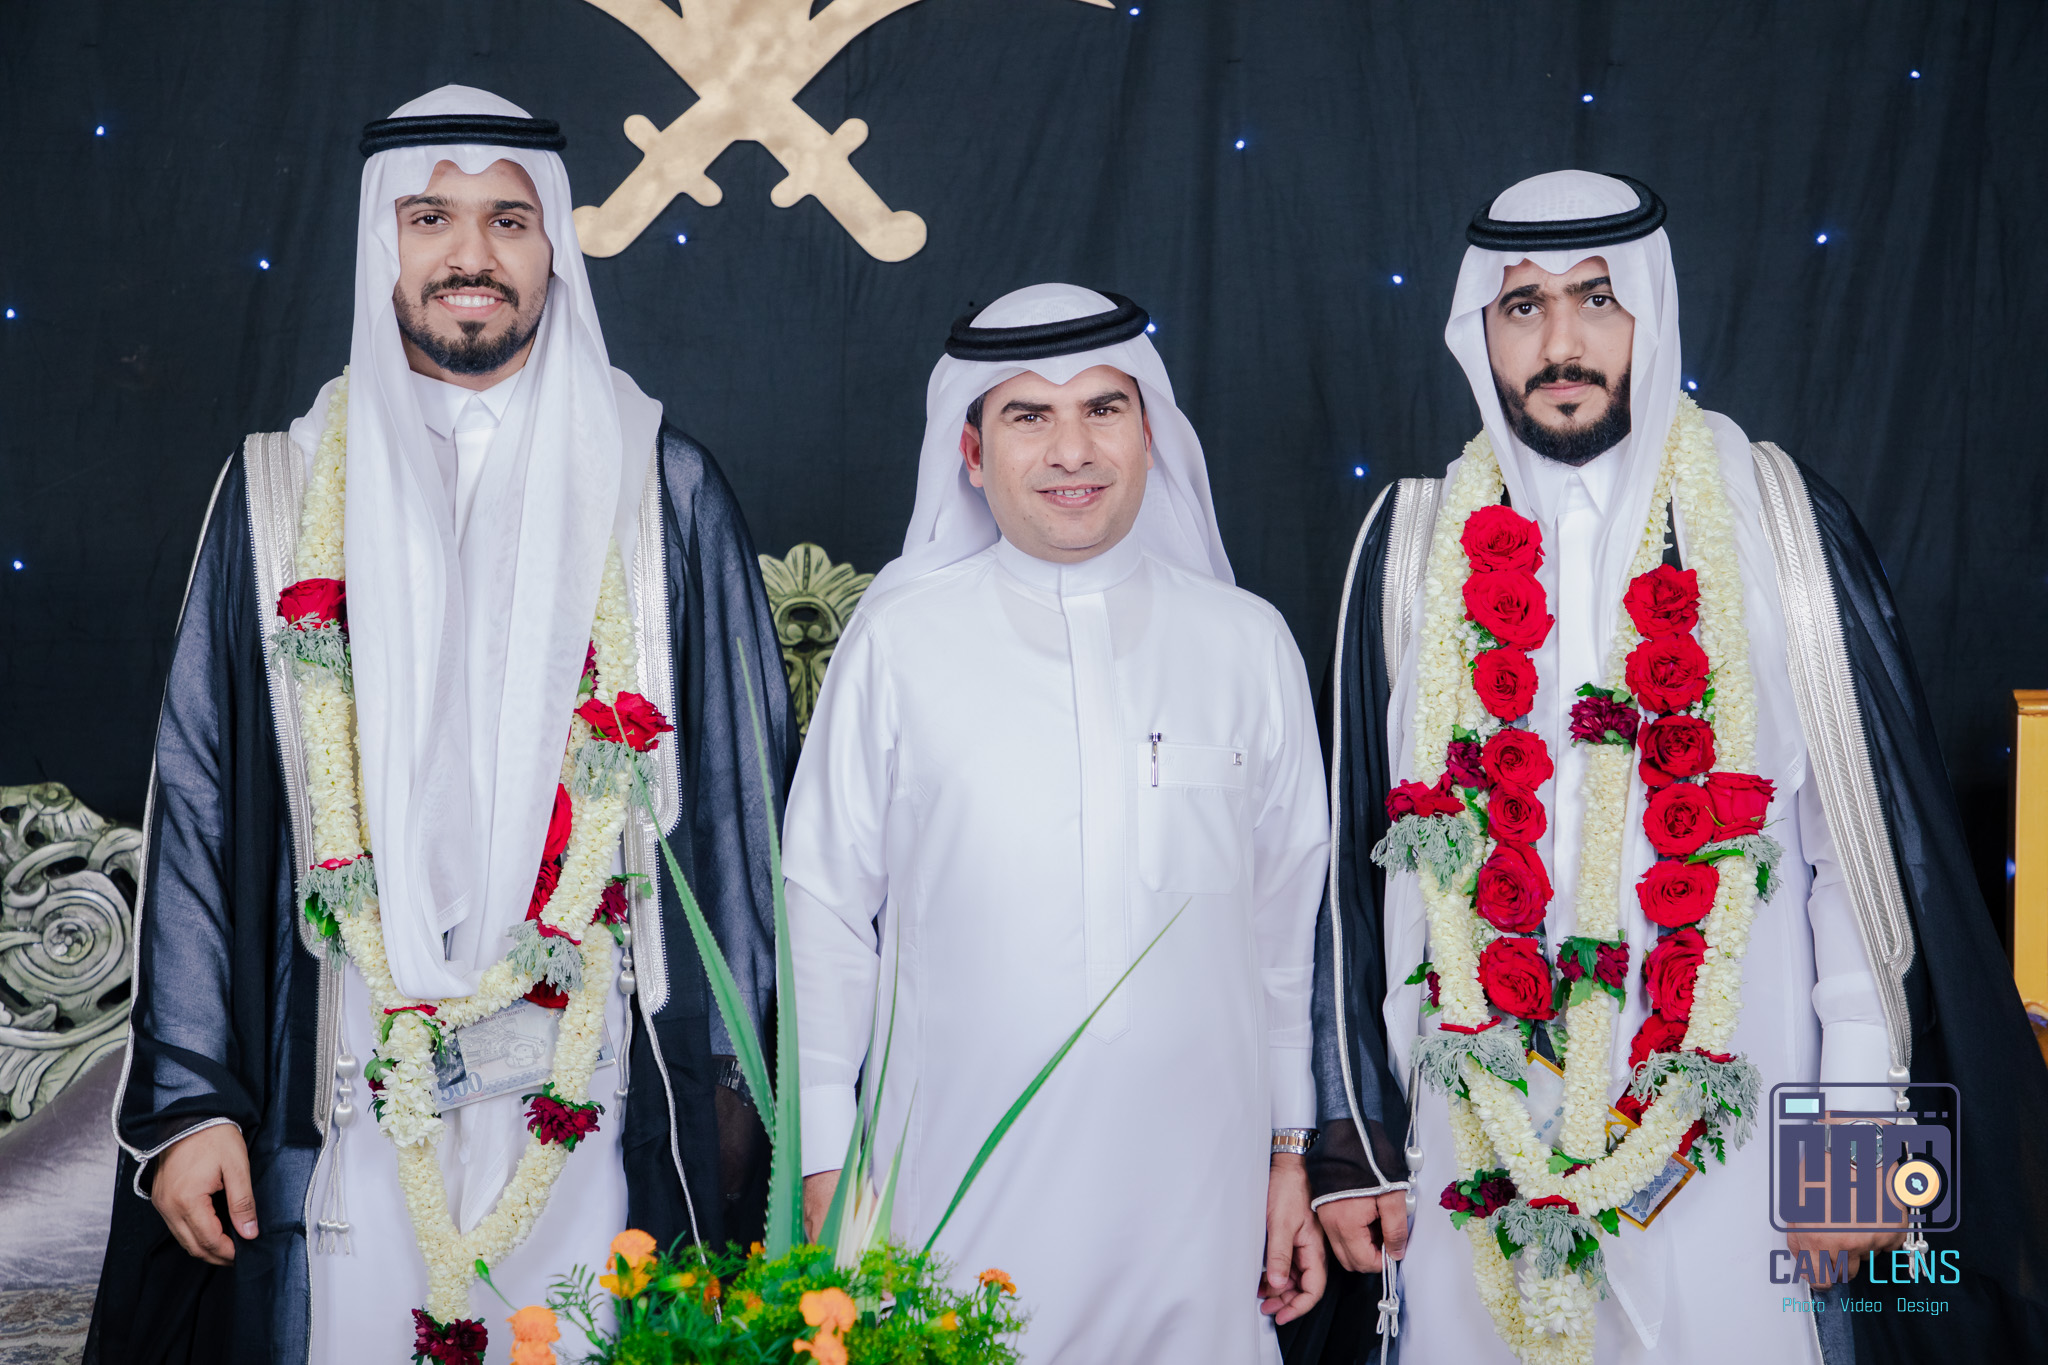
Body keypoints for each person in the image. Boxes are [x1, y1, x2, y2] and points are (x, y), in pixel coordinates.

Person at [87, 86, 793, 1365]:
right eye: (431, 218)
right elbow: (200, 801)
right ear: (384, 243)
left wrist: (744, 1115)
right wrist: (189, 1103)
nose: (470, 254)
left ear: (553, 246)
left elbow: (746, 824)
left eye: (507, 221)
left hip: (591, 1076)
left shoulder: (656, 486)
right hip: (347, 1071)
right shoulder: (279, 491)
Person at [1308, 170, 2048, 1363]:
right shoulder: (1409, 545)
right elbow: (1351, 887)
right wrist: (1361, 1146)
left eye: (1596, 300)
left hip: (1738, 1129)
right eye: (1522, 306)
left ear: (1649, 310)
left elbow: (1860, 853)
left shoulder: (1775, 518)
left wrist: (1859, 1127)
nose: (1560, 343)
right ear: (1477, 331)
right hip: (1475, 1136)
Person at [784, 284, 1330, 1361]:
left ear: (1150, 436)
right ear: (971, 453)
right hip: (950, 1181)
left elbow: (1283, 926)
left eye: (1103, 409)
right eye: (1028, 416)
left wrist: (1287, 1149)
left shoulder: (1246, 643)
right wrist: (824, 1157)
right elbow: (825, 908)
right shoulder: (897, 643)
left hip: (1198, 1192)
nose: (1071, 450)